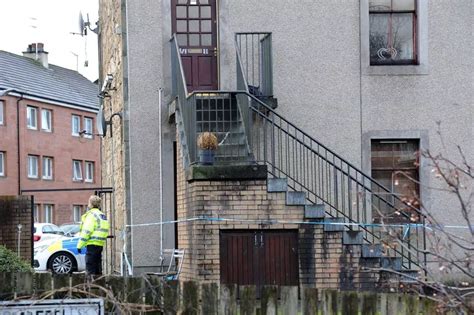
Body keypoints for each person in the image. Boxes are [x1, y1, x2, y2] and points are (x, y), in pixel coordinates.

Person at [77, 195, 109, 275]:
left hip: (92, 243)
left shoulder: (91, 215)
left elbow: (87, 231)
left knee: (90, 267)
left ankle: (91, 286)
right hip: (100, 244)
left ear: (90, 204)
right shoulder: (102, 215)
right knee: (98, 266)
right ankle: (98, 284)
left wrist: (79, 245)